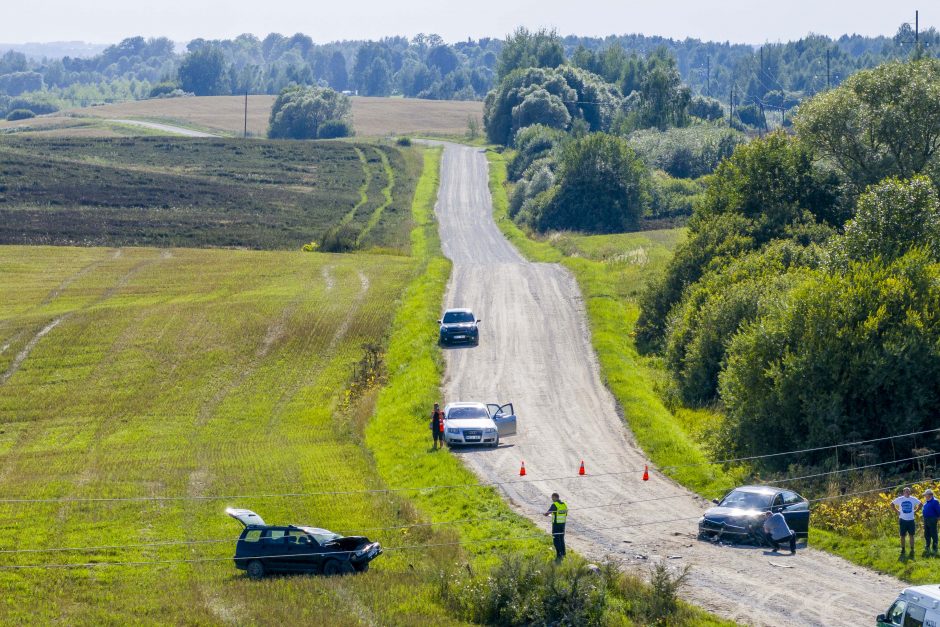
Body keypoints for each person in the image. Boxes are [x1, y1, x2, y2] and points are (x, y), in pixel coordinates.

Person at [892, 486, 922, 560]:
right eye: (906, 491)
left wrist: (916, 511)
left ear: (910, 492)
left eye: (908, 491)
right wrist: (897, 511)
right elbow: (891, 504)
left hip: (911, 520)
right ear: (903, 492)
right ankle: (903, 549)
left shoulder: (913, 499)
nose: (907, 493)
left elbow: (920, 504)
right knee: (902, 535)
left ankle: (912, 549)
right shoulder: (900, 499)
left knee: (911, 535)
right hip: (902, 520)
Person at [544, 492, 567, 562]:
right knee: (561, 539)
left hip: (556, 524)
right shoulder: (564, 504)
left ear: (555, 497)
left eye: (552, 498)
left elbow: (548, 513)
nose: (552, 499)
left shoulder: (554, 505)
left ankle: (559, 555)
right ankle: (563, 553)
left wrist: (545, 514)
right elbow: (565, 514)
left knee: (556, 540)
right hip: (563, 524)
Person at [923, 489, 940, 557]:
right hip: (926, 519)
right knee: (926, 533)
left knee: (933, 533)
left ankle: (935, 547)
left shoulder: (935, 501)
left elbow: (938, 510)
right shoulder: (926, 502)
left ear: (930, 495)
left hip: (932, 519)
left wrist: (938, 517)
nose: (924, 496)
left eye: (925, 495)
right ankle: (927, 546)